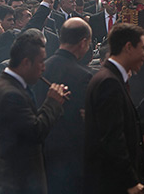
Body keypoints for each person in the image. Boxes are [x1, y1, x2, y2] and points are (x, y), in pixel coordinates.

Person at [0, 31, 67, 194]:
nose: (43, 68)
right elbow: (34, 132)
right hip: (17, 182)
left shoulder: (14, 87)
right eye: (41, 62)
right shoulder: (10, 94)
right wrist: (52, 103)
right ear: (25, 63)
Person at [83, 23, 144, 194]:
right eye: (143, 49)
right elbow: (112, 137)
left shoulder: (111, 78)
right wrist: (130, 181)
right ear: (128, 47)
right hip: (112, 183)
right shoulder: (109, 82)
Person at [33, 18, 93, 194]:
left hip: (42, 151)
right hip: (71, 158)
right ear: (83, 43)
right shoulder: (83, 76)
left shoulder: (41, 69)